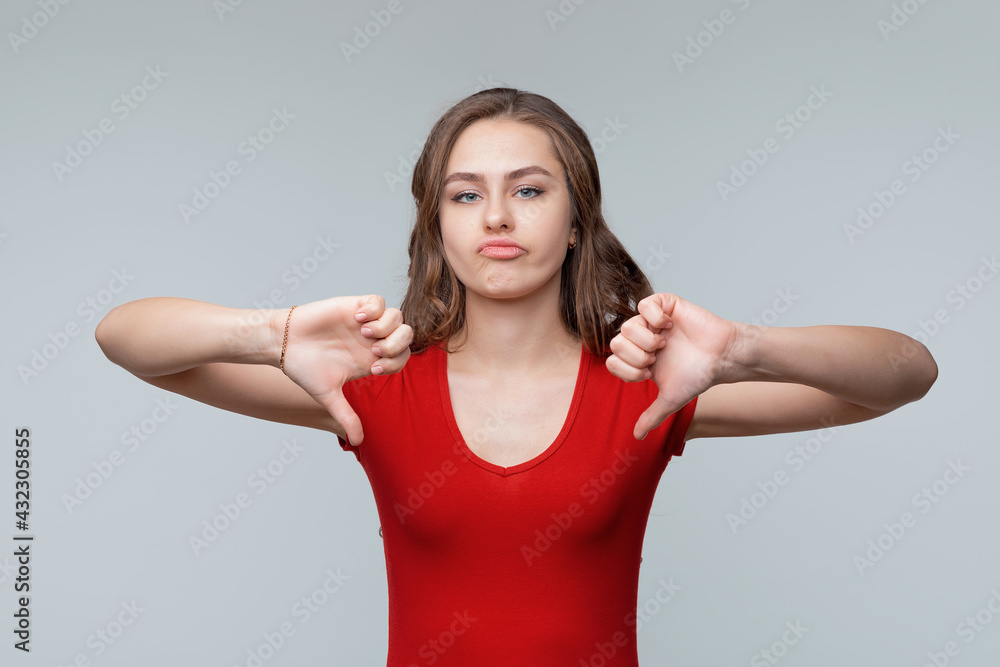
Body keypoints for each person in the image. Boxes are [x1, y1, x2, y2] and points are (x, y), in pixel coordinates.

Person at [96, 88, 937, 666]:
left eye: (528, 190)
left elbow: (902, 374)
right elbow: (127, 339)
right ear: (438, 224)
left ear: (576, 220)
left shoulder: (649, 385)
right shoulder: (372, 385)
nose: (496, 216)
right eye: (465, 196)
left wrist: (746, 349)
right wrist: (273, 333)